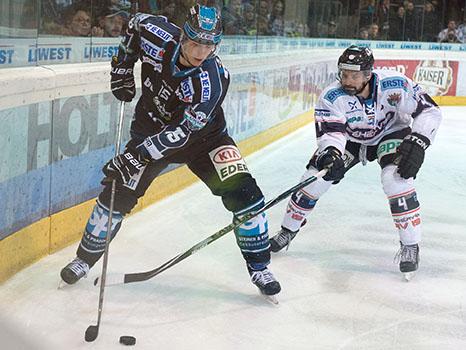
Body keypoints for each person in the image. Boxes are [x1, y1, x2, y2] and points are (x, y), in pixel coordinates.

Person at [60, 4, 281, 297]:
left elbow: (182, 133)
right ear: (182, 36)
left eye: (209, 45)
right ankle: (84, 260)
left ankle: (259, 267)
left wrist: (136, 155)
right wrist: (122, 67)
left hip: (206, 141)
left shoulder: (213, 81)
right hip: (150, 128)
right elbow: (134, 25)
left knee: (247, 197)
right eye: (194, 43)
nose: (200, 52)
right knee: (117, 192)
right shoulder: (156, 33)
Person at [269, 45, 442, 280]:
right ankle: (287, 230)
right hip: (349, 139)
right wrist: (330, 153)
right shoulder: (332, 96)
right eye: (344, 73)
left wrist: (419, 139)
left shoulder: (395, 84)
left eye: (354, 75)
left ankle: (410, 245)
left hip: (391, 133)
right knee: (313, 180)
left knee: (396, 180)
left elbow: (429, 110)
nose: (347, 80)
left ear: (368, 74)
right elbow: (332, 132)